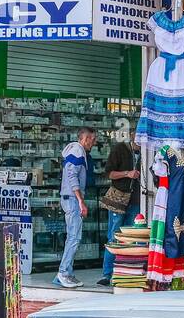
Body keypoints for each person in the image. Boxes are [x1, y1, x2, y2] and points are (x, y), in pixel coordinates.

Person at [98, 122, 140, 288]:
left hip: (136, 200)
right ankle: (107, 274)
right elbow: (109, 173)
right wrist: (127, 173)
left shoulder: (147, 153)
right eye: (138, 139)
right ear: (131, 136)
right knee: (114, 236)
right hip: (118, 199)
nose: (140, 143)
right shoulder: (119, 150)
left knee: (132, 240)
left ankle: (125, 275)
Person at [55, 127, 96, 289]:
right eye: (92, 140)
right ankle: (64, 272)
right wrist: (80, 200)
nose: (94, 143)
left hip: (70, 198)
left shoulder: (75, 151)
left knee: (72, 236)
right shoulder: (78, 152)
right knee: (74, 237)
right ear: (85, 139)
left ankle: (66, 273)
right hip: (72, 199)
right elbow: (72, 177)